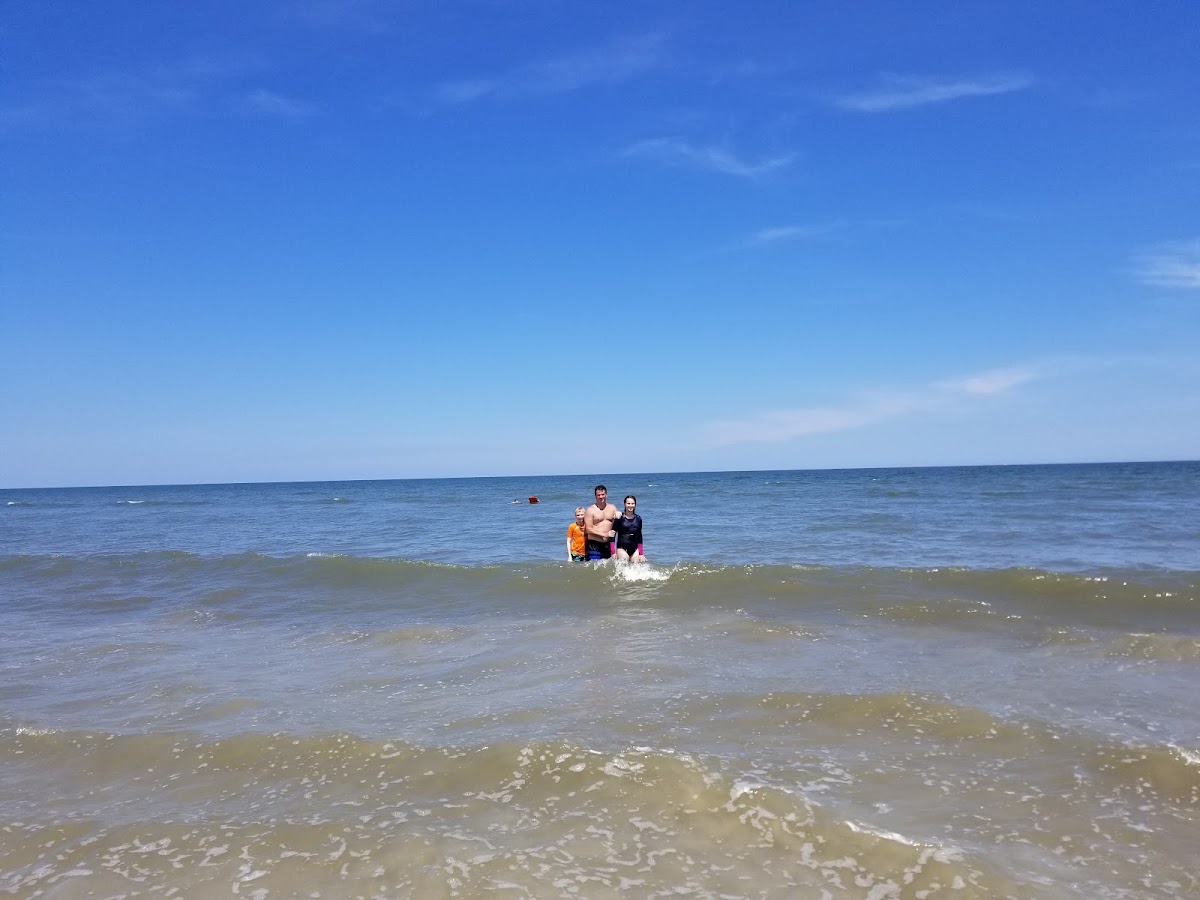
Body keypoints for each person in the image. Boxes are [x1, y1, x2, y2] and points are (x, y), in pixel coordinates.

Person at [584, 484, 619, 560]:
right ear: (595, 496)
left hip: (608, 545)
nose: (601, 497)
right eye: (598, 495)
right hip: (594, 544)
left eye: (603, 494)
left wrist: (620, 515)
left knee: (607, 569)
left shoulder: (613, 508)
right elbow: (588, 530)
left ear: (606, 495)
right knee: (595, 567)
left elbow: (619, 524)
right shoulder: (590, 510)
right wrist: (604, 534)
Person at [612, 495, 646, 563]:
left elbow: (640, 536)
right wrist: (613, 552)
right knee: (624, 562)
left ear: (635, 505)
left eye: (632, 504)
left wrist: (641, 554)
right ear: (625, 504)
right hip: (622, 548)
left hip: (635, 549)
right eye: (628, 503)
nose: (630, 505)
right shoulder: (619, 518)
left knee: (637, 565)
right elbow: (612, 535)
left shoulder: (638, 519)